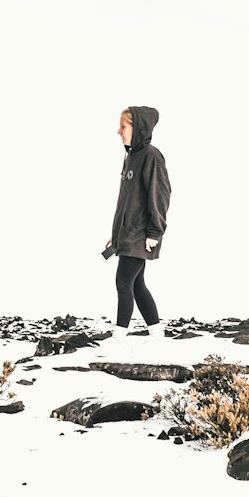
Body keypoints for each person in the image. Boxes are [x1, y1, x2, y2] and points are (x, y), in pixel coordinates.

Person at [103, 105, 171, 342]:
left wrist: (155, 231)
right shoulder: (131, 157)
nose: (119, 131)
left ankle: (119, 338)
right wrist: (116, 234)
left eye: (123, 126)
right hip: (127, 235)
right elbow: (126, 202)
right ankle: (156, 336)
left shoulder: (151, 156)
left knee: (123, 281)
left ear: (138, 127)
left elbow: (160, 195)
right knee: (137, 285)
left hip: (142, 235)